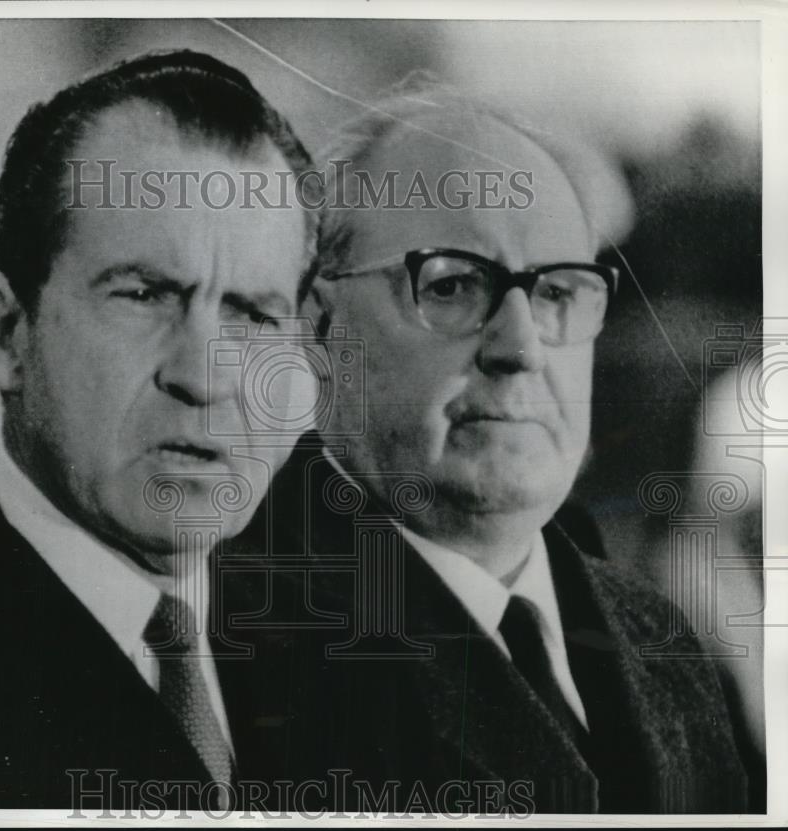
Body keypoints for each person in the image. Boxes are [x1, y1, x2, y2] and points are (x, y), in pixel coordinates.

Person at [0, 50, 325, 811]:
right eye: (145, 294)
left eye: (252, 314)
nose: (206, 375)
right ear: (7, 331)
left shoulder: (364, 656)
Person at [235, 88, 755, 813]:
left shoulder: (664, 642)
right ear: (321, 328)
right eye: (451, 286)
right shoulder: (221, 646)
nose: (521, 347)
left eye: (557, 293)